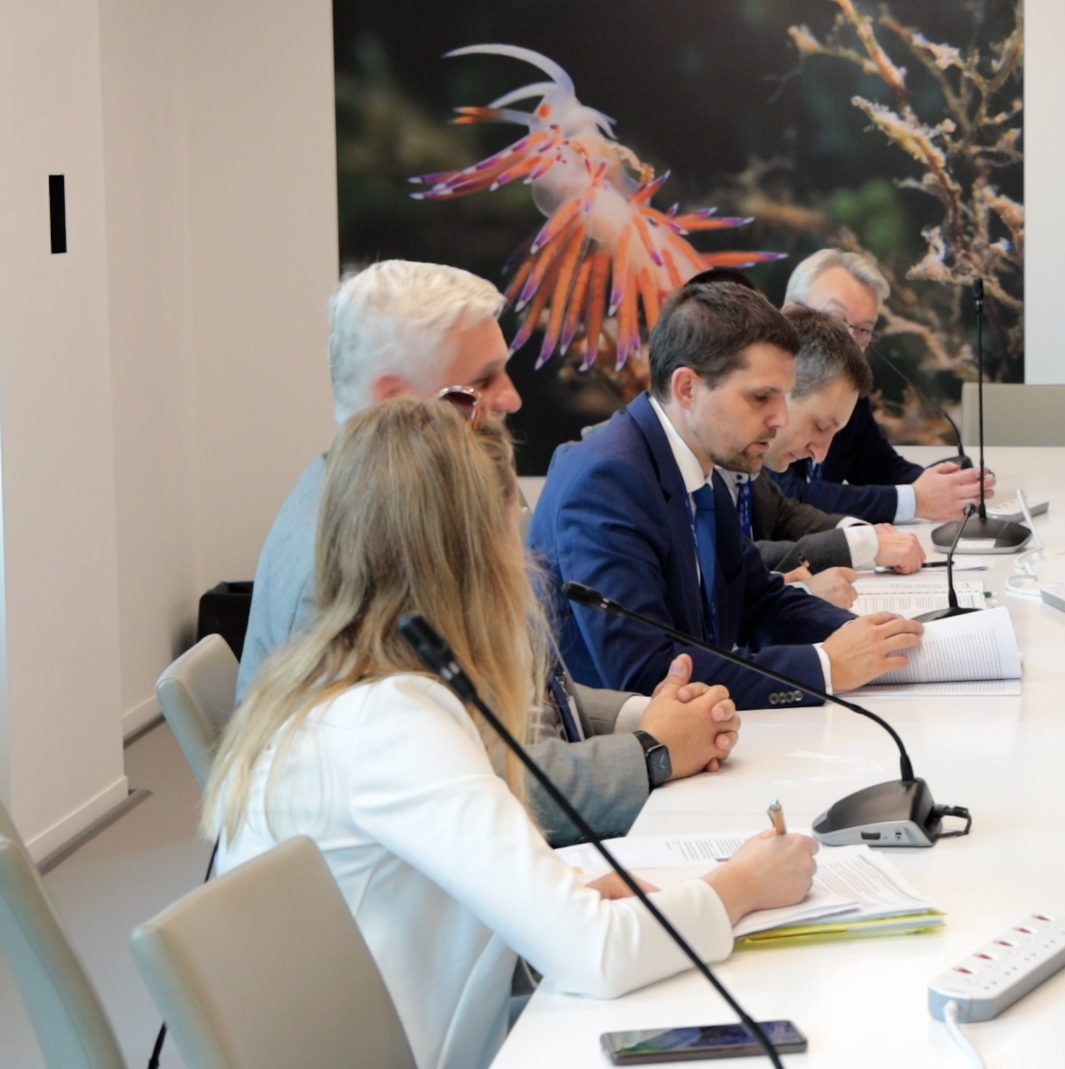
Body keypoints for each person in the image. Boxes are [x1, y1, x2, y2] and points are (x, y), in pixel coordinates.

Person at [205, 400, 820, 1069]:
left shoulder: (340, 682)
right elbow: (596, 953)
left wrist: (565, 896)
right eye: (513, 536)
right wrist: (743, 886)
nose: (526, 563)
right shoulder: (390, 720)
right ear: (474, 561)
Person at [240, 260, 735, 843]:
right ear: (393, 401)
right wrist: (655, 750)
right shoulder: (351, 569)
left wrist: (647, 715)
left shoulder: (412, 506)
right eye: (481, 382)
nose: (512, 398)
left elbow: (529, 699)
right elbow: (496, 791)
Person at [529, 280, 923, 706]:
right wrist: (825, 666)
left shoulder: (700, 471)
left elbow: (757, 600)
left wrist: (876, 636)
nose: (780, 419)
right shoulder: (608, 479)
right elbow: (645, 672)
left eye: (784, 398)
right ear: (687, 388)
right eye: (761, 397)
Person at [775, 248, 990, 523]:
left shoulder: (849, 391)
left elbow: (878, 467)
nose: (849, 341)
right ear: (791, 316)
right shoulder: (762, 395)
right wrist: (914, 500)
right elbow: (783, 500)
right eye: (836, 321)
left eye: (864, 330)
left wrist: (949, 488)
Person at [730, 306, 928, 586]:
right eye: (821, 426)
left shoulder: (746, 458)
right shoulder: (714, 458)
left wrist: (860, 533)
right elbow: (732, 560)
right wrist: (859, 546)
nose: (821, 453)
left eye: (866, 329)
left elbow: (783, 513)